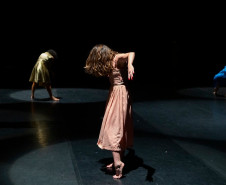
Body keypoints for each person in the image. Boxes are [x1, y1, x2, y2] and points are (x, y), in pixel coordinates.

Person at [84, 44, 135, 179]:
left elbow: (131, 52)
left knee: (114, 128)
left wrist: (130, 65)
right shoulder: (109, 61)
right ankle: (116, 160)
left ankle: (118, 164)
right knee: (118, 126)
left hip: (120, 94)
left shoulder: (117, 57)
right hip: (114, 93)